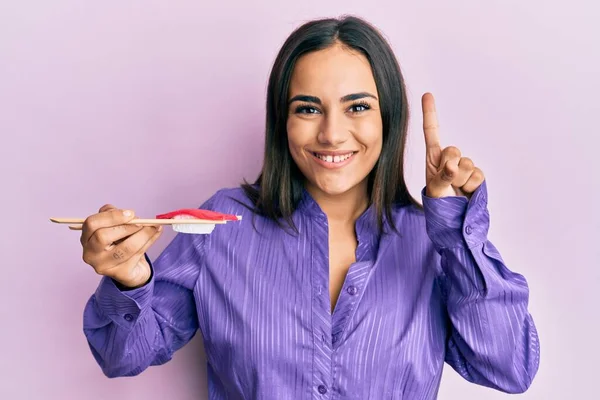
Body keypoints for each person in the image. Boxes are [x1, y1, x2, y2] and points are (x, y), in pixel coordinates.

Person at [79, 15, 540, 399]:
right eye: (308, 108)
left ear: (389, 118)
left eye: (357, 107)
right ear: (283, 120)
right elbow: (123, 355)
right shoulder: (222, 225)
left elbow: (507, 367)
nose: (332, 134)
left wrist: (455, 230)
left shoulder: (431, 243)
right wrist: (129, 277)